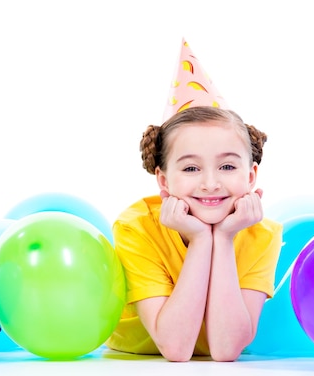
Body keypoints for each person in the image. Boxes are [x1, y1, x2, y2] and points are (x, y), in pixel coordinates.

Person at [105, 106, 283, 362]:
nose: (210, 184)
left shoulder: (262, 234)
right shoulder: (137, 227)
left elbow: (226, 350)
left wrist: (222, 238)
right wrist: (200, 239)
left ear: (251, 175)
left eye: (227, 166)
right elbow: (175, 349)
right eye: (191, 169)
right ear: (164, 181)